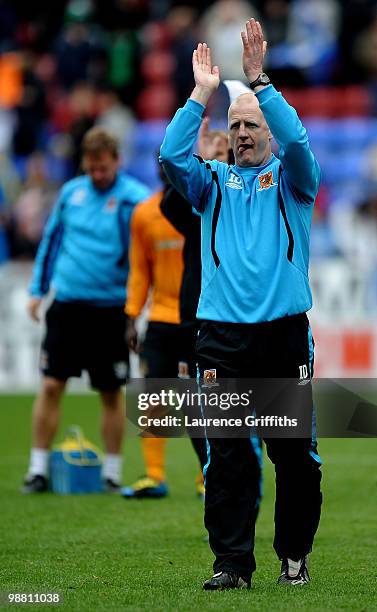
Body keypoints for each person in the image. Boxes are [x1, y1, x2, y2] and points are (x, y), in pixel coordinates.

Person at [160, 19, 322, 589]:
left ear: (268, 132)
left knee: (293, 458)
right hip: (221, 340)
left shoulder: (293, 182)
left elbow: (299, 143)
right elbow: (170, 155)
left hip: (282, 337)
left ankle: (293, 557)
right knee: (226, 458)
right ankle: (231, 564)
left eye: (252, 125)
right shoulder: (210, 185)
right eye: (236, 126)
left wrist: (260, 82)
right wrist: (201, 96)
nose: (244, 134)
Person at [22, 127, 151, 494]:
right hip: (66, 306)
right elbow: (52, 240)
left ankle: (111, 473)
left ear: (117, 163)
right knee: (50, 384)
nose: (97, 176)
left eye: (103, 170)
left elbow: (145, 258)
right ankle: (37, 469)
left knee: (111, 392)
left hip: (111, 309)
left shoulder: (135, 200)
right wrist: (37, 290)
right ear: (84, 164)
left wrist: (137, 306)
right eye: (91, 169)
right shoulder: (71, 193)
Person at [121, 169, 185, 498]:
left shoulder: (204, 204)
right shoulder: (145, 213)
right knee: (154, 398)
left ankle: (210, 480)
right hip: (160, 318)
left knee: (211, 401)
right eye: (162, 160)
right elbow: (139, 269)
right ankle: (154, 475)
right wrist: (132, 315)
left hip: (202, 318)